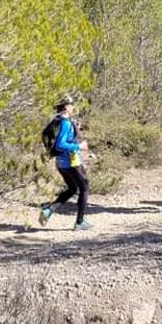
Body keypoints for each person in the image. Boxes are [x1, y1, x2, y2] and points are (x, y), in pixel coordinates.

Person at [39, 95, 92, 231]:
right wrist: (79, 146)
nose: (73, 107)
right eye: (72, 104)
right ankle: (80, 222)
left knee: (73, 188)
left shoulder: (57, 120)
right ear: (66, 107)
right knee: (84, 187)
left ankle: (49, 210)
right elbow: (61, 144)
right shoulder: (66, 123)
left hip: (61, 163)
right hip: (71, 161)